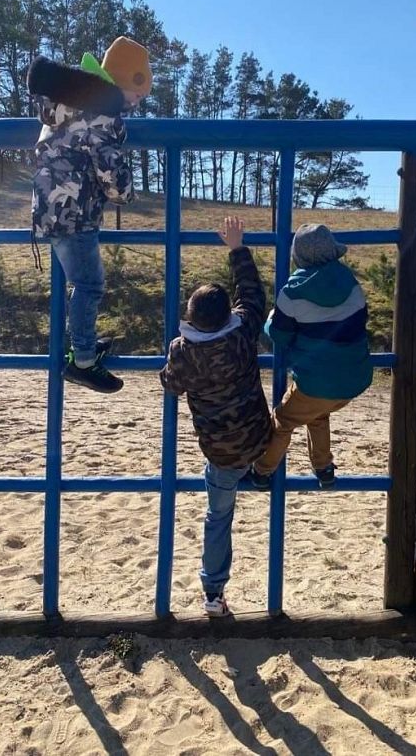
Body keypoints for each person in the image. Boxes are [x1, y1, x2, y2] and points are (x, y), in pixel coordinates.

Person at [159, 216, 272, 616]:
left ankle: (213, 592)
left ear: (191, 317)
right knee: (268, 452)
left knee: (218, 516)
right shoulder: (243, 333)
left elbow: (171, 385)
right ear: (229, 314)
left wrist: (172, 358)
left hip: (221, 451)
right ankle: (262, 471)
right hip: (259, 438)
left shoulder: (183, 351)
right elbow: (253, 294)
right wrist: (237, 249)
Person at [27, 37, 152, 393]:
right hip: (75, 214)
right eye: (136, 93)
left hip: (49, 209)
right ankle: (82, 360)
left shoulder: (69, 103)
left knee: (82, 282)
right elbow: (111, 175)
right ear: (122, 81)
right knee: (89, 284)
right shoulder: (102, 115)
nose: (136, 102)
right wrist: (126, 194)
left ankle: (83, 343)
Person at [250, 223, 373, 490]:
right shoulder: (351, 282)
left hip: (317, 382)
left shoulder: (291, 292)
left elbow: (279, 335)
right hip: (356, 377)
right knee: (317, 413)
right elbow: (362, 318)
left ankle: (262, 471)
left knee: (283, 420)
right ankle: (323, 468)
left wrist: (270, 320)